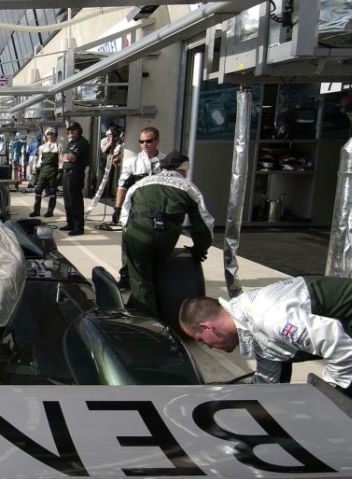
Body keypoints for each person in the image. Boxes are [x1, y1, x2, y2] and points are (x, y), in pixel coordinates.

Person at [179, 276, 352, 393]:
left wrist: (332, 392)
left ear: (208, 327)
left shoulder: (269, 317)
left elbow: (342, 347)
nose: (208, 346)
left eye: (201, 340)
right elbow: (268, 380)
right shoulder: (250, 327)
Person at [119, 151, 213, 319]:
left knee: (140, 279)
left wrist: (128, 248)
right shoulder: (189, 187)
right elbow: (204, 224)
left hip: (137, 233)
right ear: (182, 170)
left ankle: (147, 324)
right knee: (152, 275)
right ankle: (144, 319)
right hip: (166, 236)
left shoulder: (141, 183)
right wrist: (199, 250)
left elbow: (124, 217)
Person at [114, 126, 165, 289]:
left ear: (157, 141)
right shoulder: (132, 162)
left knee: (156, 244)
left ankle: (153, 275)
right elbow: (122, 186)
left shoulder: (166, 162)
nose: (145, 144)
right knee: (129, 241)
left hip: (158, 210)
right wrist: (117, 208)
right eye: (141, 141)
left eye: (149, 141)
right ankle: (126, 275)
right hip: (136, 209)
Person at [60, 123, 90, 235]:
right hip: (67, 172)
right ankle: (70, 223)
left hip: (75, 173)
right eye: (69, 130)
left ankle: (78, 227)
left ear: (79, 130)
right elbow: (61, 157)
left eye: (73, 129)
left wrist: (66, 157)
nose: (70, 132)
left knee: (75, 201)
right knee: (67, 201)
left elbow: (71, 157)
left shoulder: (82, 143)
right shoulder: (71, 143)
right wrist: (66, 157)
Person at [28, 127, 61, 218]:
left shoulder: (58, 146)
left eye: (52, 134)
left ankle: (50, 212)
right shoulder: (42, 147)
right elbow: (39, 160)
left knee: (52, 192)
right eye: (48, 134)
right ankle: (36, 211)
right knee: (38, 190)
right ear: (46, 136)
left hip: (53, 171)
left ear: (55, 135)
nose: (50, 135)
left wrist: (60, 172)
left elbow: (61, 159)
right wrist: (36, 169)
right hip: (43, 170)